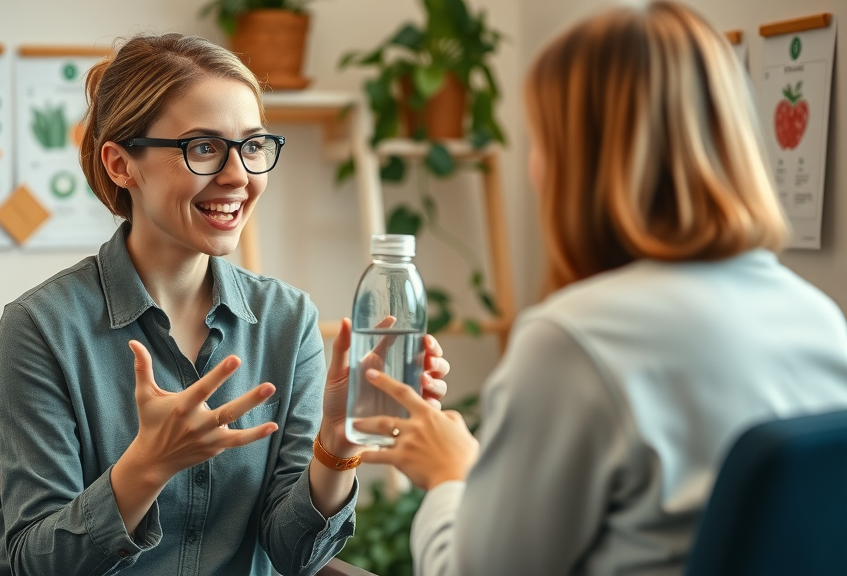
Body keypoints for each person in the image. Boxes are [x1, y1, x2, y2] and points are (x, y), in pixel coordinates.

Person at [351, 2, 847, 575]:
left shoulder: (575, 341)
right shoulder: (821, 321)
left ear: (578, 159)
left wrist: (450, 476)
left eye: (540, 141)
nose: (534, 169)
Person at [0, 33, 450, 576]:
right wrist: (147, 466)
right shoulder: (41, 327)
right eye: (202, 147)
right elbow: (35, 563)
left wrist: (335, 445)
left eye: (253, 145)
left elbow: (296, 556)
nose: (238, 175)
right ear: (122, 164)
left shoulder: (287, 322)